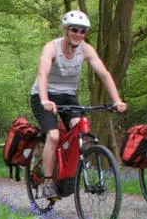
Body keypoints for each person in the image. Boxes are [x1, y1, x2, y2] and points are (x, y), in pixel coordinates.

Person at [30, 10, 127, 199]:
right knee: (53, 135)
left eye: (82, 31)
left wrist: (116, 100)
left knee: (80, 130)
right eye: (74, 29)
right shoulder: (51, 48)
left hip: (67, 96)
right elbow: (42, 74)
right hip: (43, 94)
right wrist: (44, 99)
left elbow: (104, 74)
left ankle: (68, 170)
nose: (78, 34)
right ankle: (48, 181)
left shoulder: (86, 50)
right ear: (66, 30)